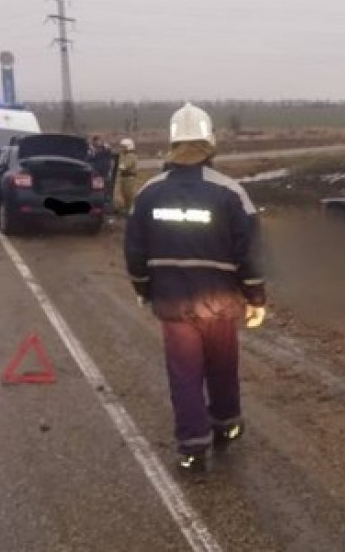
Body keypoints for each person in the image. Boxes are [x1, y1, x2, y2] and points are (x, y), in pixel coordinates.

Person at [124, 103, 266, 473]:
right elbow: (250, 253)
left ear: (172, 144)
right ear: (210, 143)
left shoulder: (148, 194)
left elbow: (135, 251)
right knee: (222, 365)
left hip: (173, 302)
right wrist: (256, 297)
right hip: (220, 301)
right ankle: (227, 424)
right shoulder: (231, 192)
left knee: (185, 373)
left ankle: (192, 447)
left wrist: (143, 289)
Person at [116, 137, 138, 214]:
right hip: (124, 177)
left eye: (124, 147)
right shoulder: (124, 155)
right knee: (124, 193)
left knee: (129, 194)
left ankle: (131, 210)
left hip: (129, 178)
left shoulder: (130, 155)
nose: (122, 148)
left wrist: (117, 166)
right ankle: (127, 208)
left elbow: (124, 166)